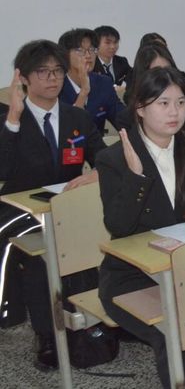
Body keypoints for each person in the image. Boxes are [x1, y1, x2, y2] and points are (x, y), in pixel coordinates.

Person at [97, 67, 185, 389]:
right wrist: (136, 177)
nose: (175, 112)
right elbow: (118, 226)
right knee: (176, 331)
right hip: (133, 275)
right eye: (163, 103)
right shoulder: (113, 158)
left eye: (181, 103)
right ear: (140, 108)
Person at [0, 40, 105, 369]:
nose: (52, 78)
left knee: (95, 235)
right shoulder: (9, 119)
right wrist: (13, 118)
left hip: (66, 206)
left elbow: (104, 157)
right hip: (20, 210)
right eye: (43, 72)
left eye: (58, 71)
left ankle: (90, 320)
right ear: (23, 78)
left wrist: (97, 173)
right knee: (38, 255)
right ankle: (46, 334)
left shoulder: (76, 117)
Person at [58, 28, 125, 134]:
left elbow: (123, 120)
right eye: (80, 50)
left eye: (92, 49)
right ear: (65, 55)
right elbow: (64, 131)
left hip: (97, 144)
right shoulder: (56, 85)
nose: (88, 56)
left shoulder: (103, 83)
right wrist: (84, 92)